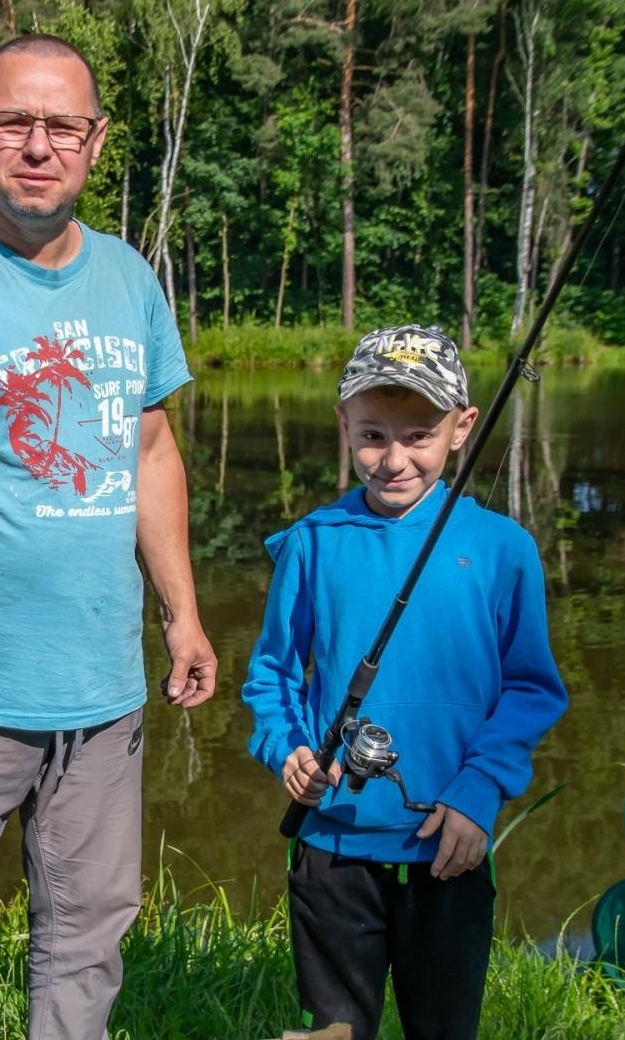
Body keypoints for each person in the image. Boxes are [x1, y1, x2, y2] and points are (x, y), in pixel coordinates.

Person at [0, 33, 217, 1040]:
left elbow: (150, 452)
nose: (37, 145)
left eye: (61, 124)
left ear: (96, 142)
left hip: (100, 692)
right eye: (14, 120)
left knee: (87, 938)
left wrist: (182, 613)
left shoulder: (129, 279)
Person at [241, 324, 568, 1040]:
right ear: (343, 425)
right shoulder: (313, 542)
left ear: (462, 428)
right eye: (373, 435)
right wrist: (288, 748)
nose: (393, 459)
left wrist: (479, 791)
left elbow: (531, 689)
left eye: (419, 434)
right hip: (332, 850)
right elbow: (271, 674)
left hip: (448, 845)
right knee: (332, 1031)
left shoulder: (503, 549)